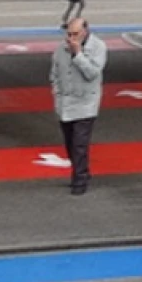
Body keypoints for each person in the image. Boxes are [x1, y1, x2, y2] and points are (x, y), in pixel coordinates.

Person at [50, 18, 107, 196]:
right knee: (69, 142)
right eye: (69, 34)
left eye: (75, 34)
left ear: (85, 31)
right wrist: (57, 92)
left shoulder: (98, 47)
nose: (71, 38)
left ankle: (79, 179)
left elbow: (92, 73)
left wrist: (78, 55)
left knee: (80, 143)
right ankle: (82, 171)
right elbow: (54, 73)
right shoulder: (60, 49)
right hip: (65, 103)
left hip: (86, 103)